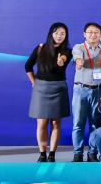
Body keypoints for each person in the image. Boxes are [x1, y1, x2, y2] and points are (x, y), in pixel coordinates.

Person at [26, 22, 72, 162]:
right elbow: (28, 66)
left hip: (58, 89)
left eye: (62, 34)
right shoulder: (40, 48)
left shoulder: (67, 51)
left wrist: (61, 61)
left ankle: (52, 154)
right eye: (57, 33)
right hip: (41, 89)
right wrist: (34, 82)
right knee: (41, 123)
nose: (59, 36)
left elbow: (63, 60)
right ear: (51, 34)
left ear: (66, 36)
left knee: (56, 124)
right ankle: (42, 154)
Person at [70, 22, 101, 162]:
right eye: (90, 32)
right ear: (84, 34)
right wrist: (79, 61)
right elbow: (77, 56)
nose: (93, 35)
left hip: (97, 91)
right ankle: (78, 154)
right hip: (81, 90)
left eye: (96, 32)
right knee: (78, 123)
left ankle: (92, 153)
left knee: (95, 124)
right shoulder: (79, 47)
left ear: (100, 34)